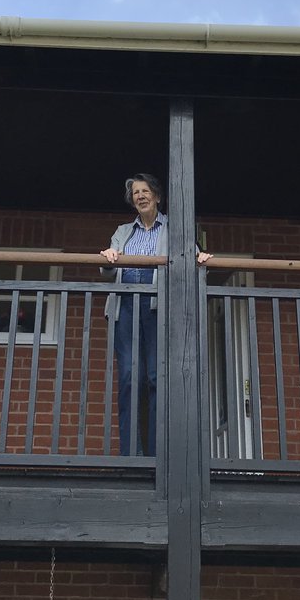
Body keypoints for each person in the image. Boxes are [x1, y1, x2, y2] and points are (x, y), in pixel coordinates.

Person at [99, 173, 211, 456]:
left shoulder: (175, 227)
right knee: (128, 378)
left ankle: (157, 456)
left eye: (145, 191)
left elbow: (193, 255)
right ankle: (130, 455)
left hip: (156, 308)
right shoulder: (123, 231)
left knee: (155, 378)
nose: (140, 196)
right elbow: (107, 271)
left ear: (157, 197)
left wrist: (200, 257)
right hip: (125, 306)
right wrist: (109, 258)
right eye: (136, 192)